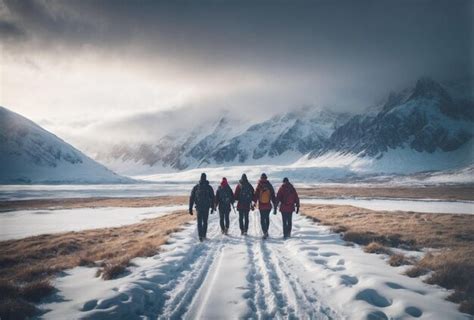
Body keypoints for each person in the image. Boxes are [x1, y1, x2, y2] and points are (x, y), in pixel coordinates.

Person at [189, 173, 215, 242]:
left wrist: (190, 208)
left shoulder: (196, 187)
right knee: (205, 222)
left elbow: (191, 198)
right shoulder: (209, 187)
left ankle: (200, 236)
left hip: (199, 208)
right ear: (206, 178)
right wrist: (213, 207)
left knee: (199, 222)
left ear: (200, 178)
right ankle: (204, 235)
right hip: (206, 208)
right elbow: (213, 198)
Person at [254, 173, 276, 239]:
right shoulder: (269, 185)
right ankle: (266, 231)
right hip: (268, 206)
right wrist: (275, 204)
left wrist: (254, 203)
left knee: (262, 219)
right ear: (266, 178)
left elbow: (256, 195)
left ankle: (265, 232)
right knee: (267, 218)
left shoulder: (259, 185)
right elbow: (273, 195)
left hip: (261, 206)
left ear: (261, 178)